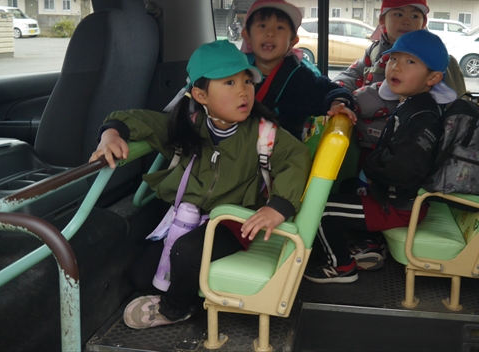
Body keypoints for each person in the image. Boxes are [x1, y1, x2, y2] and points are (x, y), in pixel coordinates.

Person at [90, 40, 312, 329]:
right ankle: (186, 294)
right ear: (200, 94)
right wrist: (111, 134)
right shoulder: (188, 126)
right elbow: (139, 119)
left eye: (247, 81)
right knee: (142, 278)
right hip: (186, 217)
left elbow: (296, 158)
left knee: (187, 252)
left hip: (235, 221)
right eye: (229, 82)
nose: (243, 91)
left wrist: (277, 207)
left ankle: (177, 309)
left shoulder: (264, 134)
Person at [303, 30, 454, 283]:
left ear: (433, 78)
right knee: (347, 186)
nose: (396, 67)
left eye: (410, 62)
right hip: (392, 198)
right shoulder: (411, 105)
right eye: (393, 59)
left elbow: (403, 169)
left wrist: (371, 167)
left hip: (399, 207)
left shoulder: (422, 117)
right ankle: (369, 245)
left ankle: (341, 267)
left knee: (322, 210)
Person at [333, 0, 466, 150]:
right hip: (366, 142)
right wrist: (338, 98)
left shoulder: (437, 58)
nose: (406, 21)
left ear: (423, 23)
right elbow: (350, 76)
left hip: (407, 146)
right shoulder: (375, 51)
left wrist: (356, 100)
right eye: (398, 14)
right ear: (382, 21)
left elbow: (455, 108)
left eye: (415, 16)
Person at [240, 0, 357, 140]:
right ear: (247, 35)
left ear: (292, 41)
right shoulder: (236, 71)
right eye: (262, 25)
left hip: (283, 152)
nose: (270, 33)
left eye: (280, 27)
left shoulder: (300, 78)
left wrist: (337, 103)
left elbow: (331, 90)